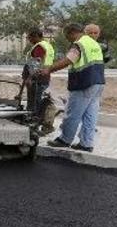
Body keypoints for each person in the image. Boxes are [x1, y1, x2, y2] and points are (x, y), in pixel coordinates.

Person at [40, 23, 105, 152]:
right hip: (98, 83)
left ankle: (65, 139)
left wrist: (49, 69)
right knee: (90, 115)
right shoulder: (93, 43)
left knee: (72, 112)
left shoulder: (79, 44)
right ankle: (86, 144)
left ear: (72, 32)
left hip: (84, 83)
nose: (67, 39)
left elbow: (68, 60)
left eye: (67, 36)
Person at [15, 28, 53, 113]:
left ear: (35, 36)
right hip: (43, 78)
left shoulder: (39, 47)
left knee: (34, 103)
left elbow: (36, 64)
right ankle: (36, 118)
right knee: (36, 100)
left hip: (37, 79)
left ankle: (34, 119)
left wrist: (29, 78)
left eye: (29, 37)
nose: (29, 40)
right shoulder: (47, 45)